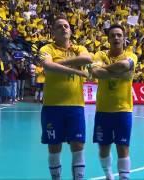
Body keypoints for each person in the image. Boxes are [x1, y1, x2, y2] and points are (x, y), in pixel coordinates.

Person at [39, 15, 93, 180]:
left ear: (70, 31)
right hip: (52, 106)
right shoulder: (46, 49)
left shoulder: (79, 48)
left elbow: (88, 58)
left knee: (78, 146)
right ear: (53, 33)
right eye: (59, 26)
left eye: (66, 26)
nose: (63, 28)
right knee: (54, 147)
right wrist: (76, 70)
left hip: (75, 106)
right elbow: (47, 65)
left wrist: (58, 64)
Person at [89, 24, 138, 180]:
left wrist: (105, 70)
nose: (116, 38)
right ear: (108, 39)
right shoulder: (100, 54)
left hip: (123, 110)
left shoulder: (131, 55)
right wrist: (118, 73)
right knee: (104, 148)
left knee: (123, 147)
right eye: (113, 35)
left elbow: (124, 65)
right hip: (103, 110)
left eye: (119, 35)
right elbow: (96, 72)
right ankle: (109, 175)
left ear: (124, 38)